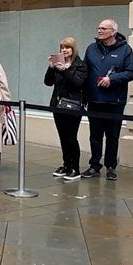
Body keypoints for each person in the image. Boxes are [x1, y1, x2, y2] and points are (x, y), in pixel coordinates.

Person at [82, 19, 133, 180]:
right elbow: (85, 71)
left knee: (112, 136)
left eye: (103, 28)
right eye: (98, 28)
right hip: (94, 99)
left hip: (115, 101)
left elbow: (132, 72)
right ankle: (94, 165)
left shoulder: (125, 50)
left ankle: (111, 166)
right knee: (95, 135)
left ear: (113, 31)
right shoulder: (91, 49)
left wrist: (112, 79)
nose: (99, 31)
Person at [45, 36, 87, 182]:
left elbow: (77, 84)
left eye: (67, 47)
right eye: (62, 47)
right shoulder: (58, 63)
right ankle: (66, 165)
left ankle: (75, 168)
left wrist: (64, 71)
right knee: (62, 137)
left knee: (71, 137)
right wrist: (51, 68)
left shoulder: (80, 65)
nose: (64, 50)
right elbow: (48, 82)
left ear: (73, 49)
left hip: (73, 106)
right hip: (58, 105)